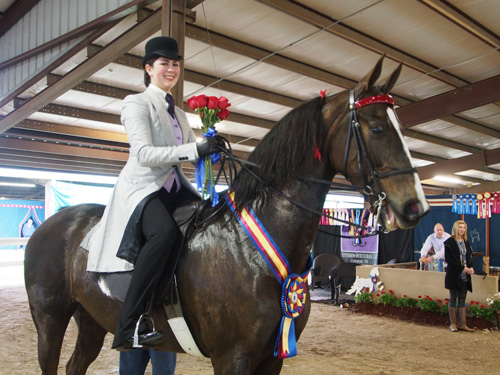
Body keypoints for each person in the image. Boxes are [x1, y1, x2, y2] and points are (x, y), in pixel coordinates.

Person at [80, 36, 219, 350]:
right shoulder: (136, 103)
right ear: (148, 69)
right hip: (143, 188)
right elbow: (143, 153)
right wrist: (194, 148)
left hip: (175, 189)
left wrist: (211, 149)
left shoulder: (180, 113)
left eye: (175, 64)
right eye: (164, 64)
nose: (171, 69)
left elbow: (191, 151)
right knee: (164, 234)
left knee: (212, 220)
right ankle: (129, 324)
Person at [444, 220, 474, 332]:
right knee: (453, 298)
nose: (462, 229)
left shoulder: (466, 242)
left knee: (462, 298)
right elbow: (450, 260)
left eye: (464, 227)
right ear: (456, 228)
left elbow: (469, 257)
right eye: (460, 227)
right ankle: (453, 324)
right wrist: (462, 268)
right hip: (454, 274)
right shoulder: (449, 242)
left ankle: (462, 324)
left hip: (465, 275)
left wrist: (470, 267)